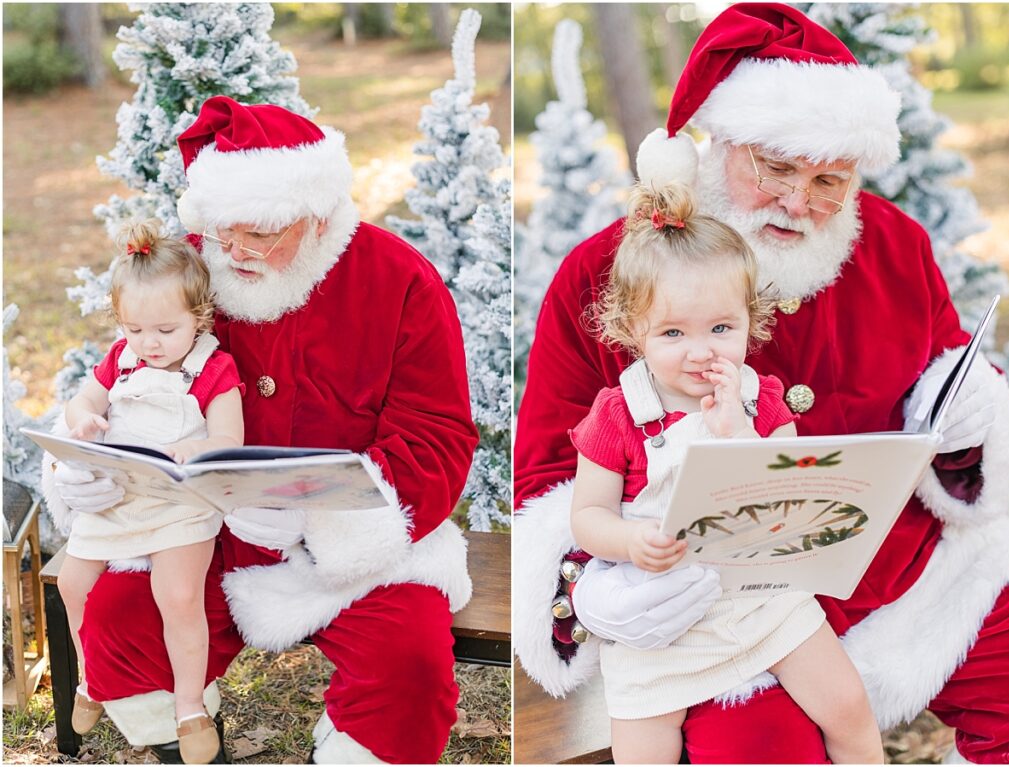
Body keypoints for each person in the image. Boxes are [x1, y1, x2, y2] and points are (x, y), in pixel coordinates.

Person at [513, 4, 1009, 763]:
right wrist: (593, 586)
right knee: (758, 748)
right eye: (775, 167)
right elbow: (553, 475)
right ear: (716, 147)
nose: (797, 202)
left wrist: (970, 415)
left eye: (828, 180)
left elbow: (950, 415)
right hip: (708, 602)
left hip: (907, 572)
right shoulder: (608, 273)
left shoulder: (896, 246)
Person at [43, 95, 479, 764]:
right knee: (116, 618)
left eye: (260, 233)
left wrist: (321, 517)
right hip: (197, 531)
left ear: (317, 215)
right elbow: (130, 371)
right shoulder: (192, 268)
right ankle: (182, 738)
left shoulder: (400, 281)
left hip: (353, 546)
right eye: (224, 230)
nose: (235, 251)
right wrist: (86, 464)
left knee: (410, 662)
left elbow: (438, 435)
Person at [570, 182, 882, 764]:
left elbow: (792, 491)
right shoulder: (619, 414)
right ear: (632, 330)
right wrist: (629, 541)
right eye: (672, 333)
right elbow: (587, 516)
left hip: (761, 601)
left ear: (750, 321)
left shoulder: (760, 399)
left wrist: (737, 432)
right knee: (642, 749)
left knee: (848, 706)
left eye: (721, 329)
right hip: (664, 619)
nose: (700, 352)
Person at [58, 219, 243, 764]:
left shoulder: (214, 368)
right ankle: (92, 677)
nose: (149, 343)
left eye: (165, 329)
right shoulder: (122, 359)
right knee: (73, 583)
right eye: (135, 329)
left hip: (181, 504)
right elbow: (81, 402)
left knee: (178, 596)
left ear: (198, 317)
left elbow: (231, 436)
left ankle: (189, 708)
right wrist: (85, 420)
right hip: (121, 498)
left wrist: (203, 447)